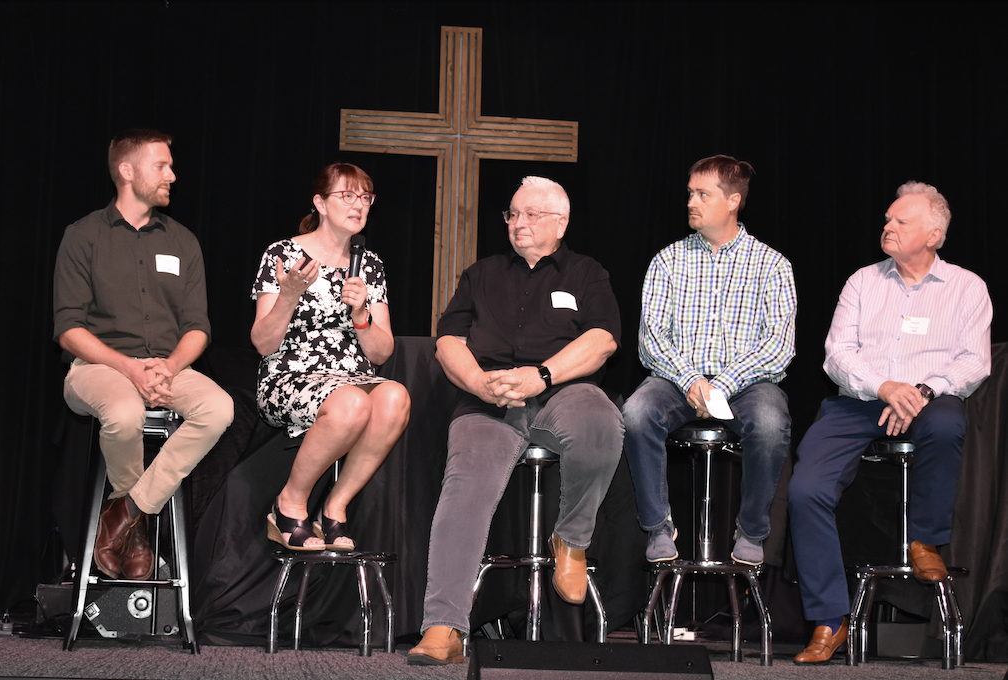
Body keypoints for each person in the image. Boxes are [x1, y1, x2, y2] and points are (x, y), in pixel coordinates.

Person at [407, 176, 624, 665]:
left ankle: (571, 539)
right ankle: (444, 625)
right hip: (489, 401)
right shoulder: (481, 274)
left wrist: (541, 376)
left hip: (562, 390)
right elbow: (448, 341)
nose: (518, 223)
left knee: (602, 424)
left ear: (561, 222)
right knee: (465, 487)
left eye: (531, 214)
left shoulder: (587, 274)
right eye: (512, 214)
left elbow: (604, 340)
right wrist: (478, 383)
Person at [788, 182, 992, 664]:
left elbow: (974, 361)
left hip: (929, 397)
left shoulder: (967, 287)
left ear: (934, 234)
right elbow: (837, 355)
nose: (888, 227)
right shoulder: (863, 281)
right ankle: (828, 620)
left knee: (946, 427)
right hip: (861, 399)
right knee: (805, 488)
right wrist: (885, 388)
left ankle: (924, 539)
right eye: (887, 219)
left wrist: (920, 390)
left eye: (901, 221)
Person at [54, 129, 234, 581]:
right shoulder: (84, 236)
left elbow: (198, 328)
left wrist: (169, 366)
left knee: (219, 408)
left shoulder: (183, 241)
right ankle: (135, 532)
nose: (172, 175)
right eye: (162, 166)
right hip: (97, 367)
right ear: (127, 171)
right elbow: (68, 330)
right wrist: (130, 368)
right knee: (124, 410)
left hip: (166, 368)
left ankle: (126, 513)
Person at [621, 155, 796, 567]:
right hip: (677, 379)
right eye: (690, 193)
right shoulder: (668, 260)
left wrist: (723, 384)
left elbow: (779, 345)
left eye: (703, 194)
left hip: (748, 383)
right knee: (635, 412)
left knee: (771, 424)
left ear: (733, 200)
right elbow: (651, 339)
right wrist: (691, 380)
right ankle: (658, 525)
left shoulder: (772, 264)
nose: (691, 202)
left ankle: (752, 529)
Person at [251, 163, 410, 551]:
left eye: (365, 197)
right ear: (320, 202)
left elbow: (382, 351)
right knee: (352, 403)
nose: (359, 205)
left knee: (395, 397)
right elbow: (262, 343)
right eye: (347, 195)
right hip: (289, 376)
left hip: (351, 376)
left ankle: (334, 508)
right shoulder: (283, 254)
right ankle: (289, 503)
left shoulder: (369, 264)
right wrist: (289, 294)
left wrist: (361, 316)